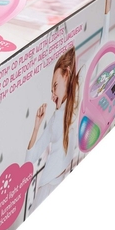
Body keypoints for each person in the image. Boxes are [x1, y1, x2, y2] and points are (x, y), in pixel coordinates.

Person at [26, 47, 79, 210]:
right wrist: (37, 126)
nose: (52, 96)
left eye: (55, 86)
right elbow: (30, 158)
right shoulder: (55, 119)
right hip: (48, 186)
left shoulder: (78, 103)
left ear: (67, 75)